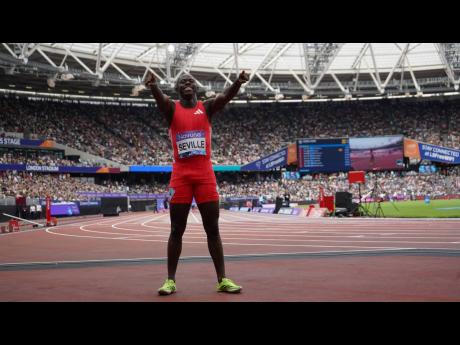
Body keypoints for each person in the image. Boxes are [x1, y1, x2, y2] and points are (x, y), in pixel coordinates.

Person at [145, 69, 248, 295]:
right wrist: (152, 85)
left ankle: (222, 279)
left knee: (213, 228)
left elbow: (225, 97)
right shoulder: (171, 108)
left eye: (190, 81)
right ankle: (170, 281)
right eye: (182, 82)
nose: (187, 83)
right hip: (180, 176)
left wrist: (238, 82)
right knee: (176, 229)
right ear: (178, 89)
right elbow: (160, 99)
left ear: (196, 87)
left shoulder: (207, 107)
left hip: (204, 174)